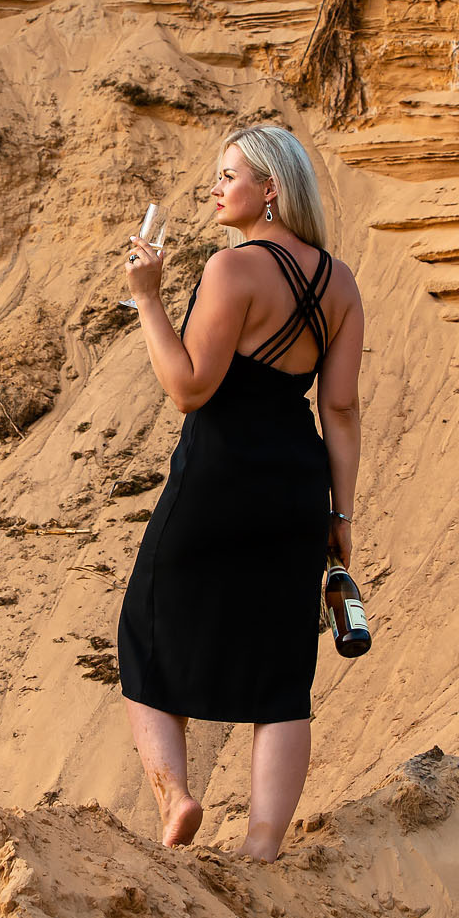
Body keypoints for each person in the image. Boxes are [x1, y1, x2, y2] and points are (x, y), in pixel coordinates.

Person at [114, 123, 365, 862]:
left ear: (271, 189)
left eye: (229, 176)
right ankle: (261, 846)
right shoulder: (341, 283)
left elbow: (190, 387)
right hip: (296, 483)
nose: (217, 190)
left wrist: (148, 299)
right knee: (283, 667)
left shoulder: (233, 271)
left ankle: (175, 795)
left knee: (147, 628)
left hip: (218, 474)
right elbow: (341, 410)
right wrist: (340, 515)